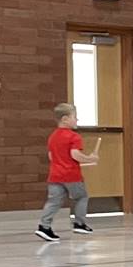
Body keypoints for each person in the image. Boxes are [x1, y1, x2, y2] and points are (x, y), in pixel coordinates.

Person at [36, 104, 99, 243]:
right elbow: (75, 154)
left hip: (55, 175)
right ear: (65, 119)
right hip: (71, 175)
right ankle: (79, 223)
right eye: (75, 117)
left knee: (54, 201)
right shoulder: (74, 137)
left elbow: (51, 157)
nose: (77, 120)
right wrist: (90, 158)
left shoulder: (52, 137)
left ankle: (44, 226)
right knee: (81, 197)